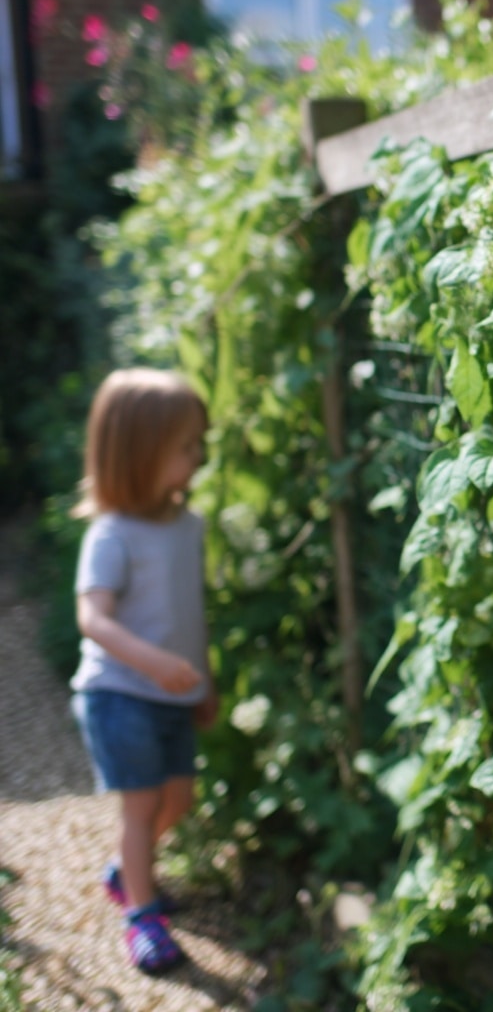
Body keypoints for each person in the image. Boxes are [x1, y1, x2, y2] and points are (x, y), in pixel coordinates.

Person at [70, 367, 218, 975]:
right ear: (139, 454)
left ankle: (125, 875)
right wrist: (154, 662)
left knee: (177, 798)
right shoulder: (111, 535)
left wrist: (203, 681)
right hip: (120, 694)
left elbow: (191, 611)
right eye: (186, 447)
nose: (199, 457)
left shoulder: (188, 527)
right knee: (140, 809)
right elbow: (93, 620)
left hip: (173, 697)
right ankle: (142, 917)